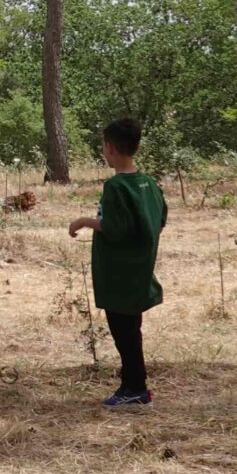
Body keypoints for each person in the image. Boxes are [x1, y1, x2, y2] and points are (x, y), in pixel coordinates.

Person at [71, 116, 167, 410]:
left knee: (124, 333)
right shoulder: (148, 183)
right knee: (131, 331)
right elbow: (160, 218)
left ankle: (135, 388)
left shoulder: (116, 186)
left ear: (110, 147)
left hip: (119, 273)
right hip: (140, 270)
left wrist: (83, 221)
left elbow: (114, 227)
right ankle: (134, 384)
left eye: (103, 145)